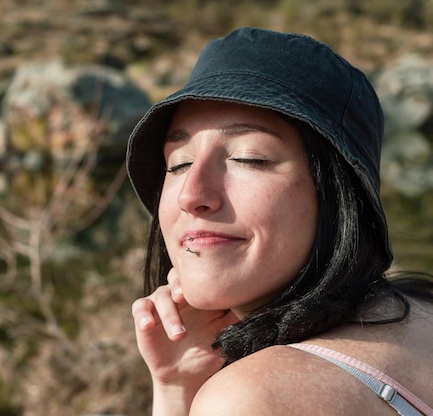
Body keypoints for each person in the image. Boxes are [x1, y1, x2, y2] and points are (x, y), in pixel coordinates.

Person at [127, 27, 433, 415]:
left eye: (249, 158)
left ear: (338, 195)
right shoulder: (416, 308)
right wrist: (176, 382)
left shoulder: (251, 399)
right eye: (179, 163)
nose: (192, 194)